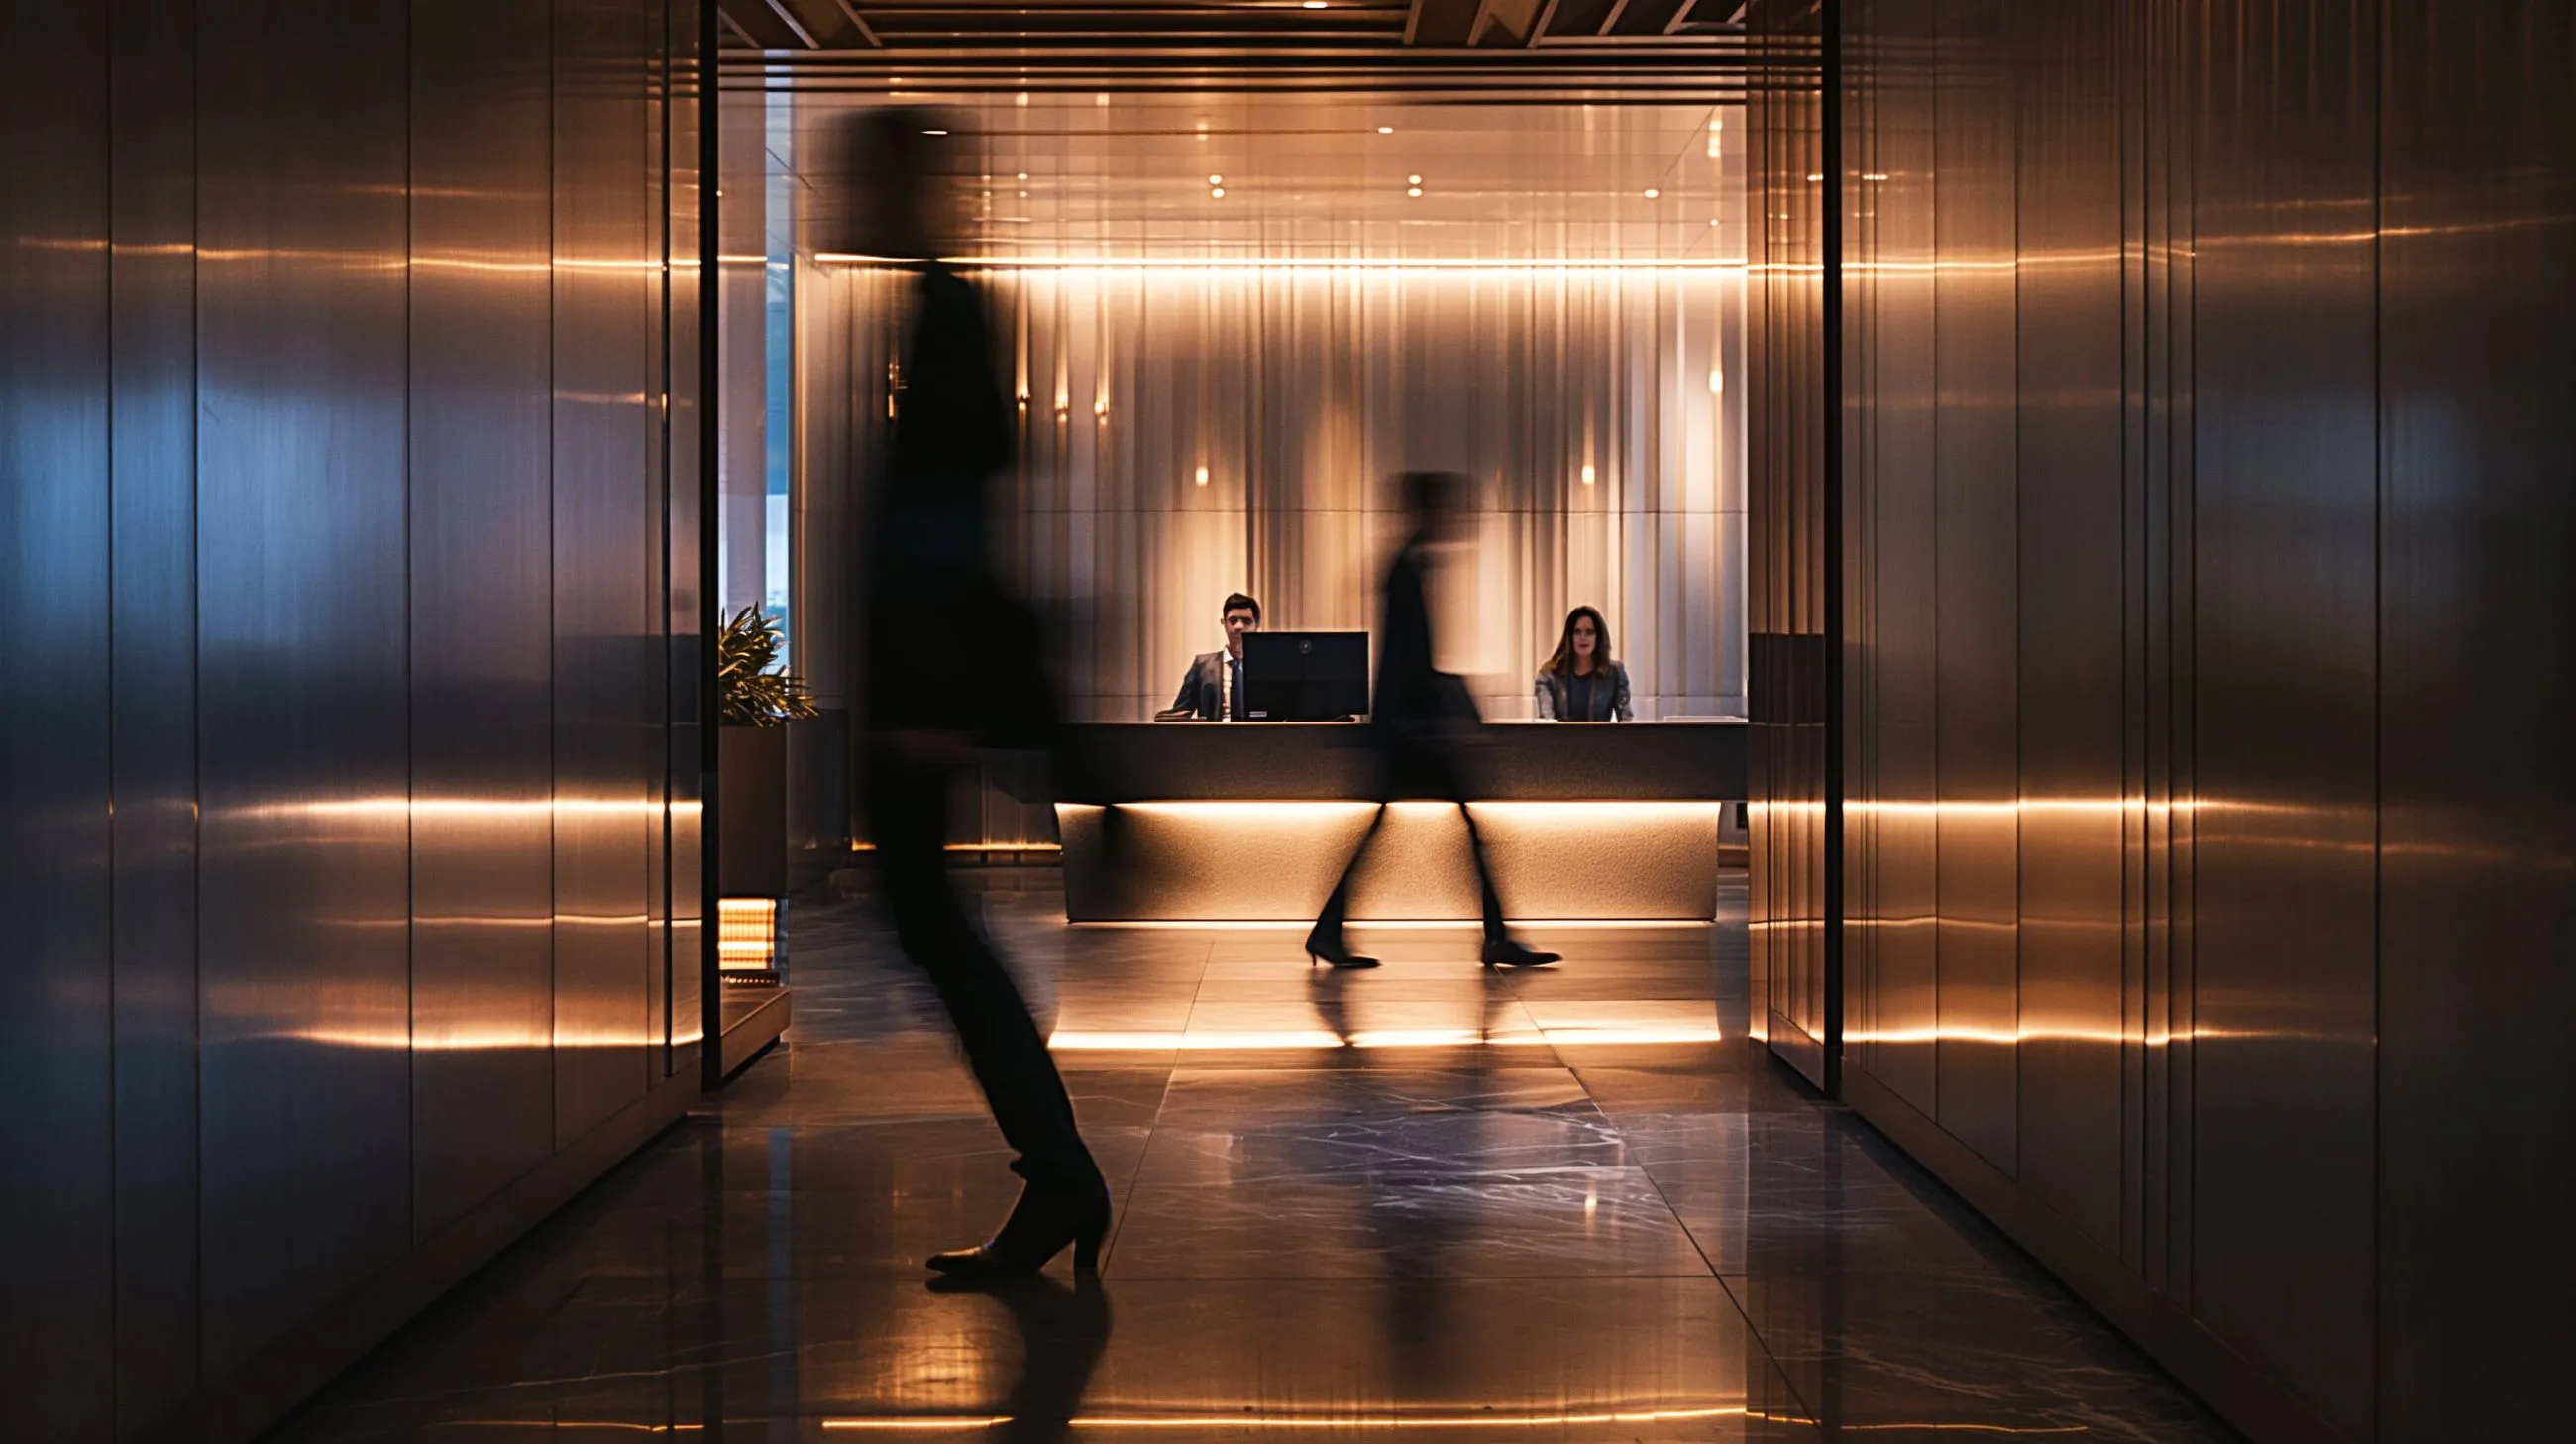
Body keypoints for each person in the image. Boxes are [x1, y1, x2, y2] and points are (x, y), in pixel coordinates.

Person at [845, 107, 1108, 1278]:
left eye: (873, 176)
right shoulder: (941, 311)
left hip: (919, 681)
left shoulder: (947, 313)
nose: (852, 197)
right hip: (921, 676)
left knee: (931, 921)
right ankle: (1056, 1169)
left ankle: (1060, 1169)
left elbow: (941, 518)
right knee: (932, 922)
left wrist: (919, 693)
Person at [1303, 471, 1562, 971]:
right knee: (1462, 830)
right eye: (1449, 508)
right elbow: (1407, 664)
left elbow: (1407, 664)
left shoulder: (1407, 566)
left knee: (1429, 830)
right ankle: (1493, 937)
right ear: (1427, 511)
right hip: (1411, 736)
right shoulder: (1407, 572)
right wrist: (1450, 721)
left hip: (1405, 734)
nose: (1457, 519)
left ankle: (1329, 930)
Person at [1167, 593, 1261, 720]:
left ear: (1257, 626)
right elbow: (1179, 715)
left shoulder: (1268, 667)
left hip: (1258, 737)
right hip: (1213, 737)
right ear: (1223, 623)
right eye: (1233, 621)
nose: (1239, 626)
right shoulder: (1202, 666)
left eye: (1247, 621)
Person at [1534, 606, 1633, 722]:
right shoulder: (1548, 675)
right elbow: (1546, 722)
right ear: (1570, 637)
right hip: (1560, 739)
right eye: (1577, 632)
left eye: (1589, 632)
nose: (1583, 638)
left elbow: (1627, 722)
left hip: (1600, 739)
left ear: (1598, 637)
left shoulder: (1615, 673)